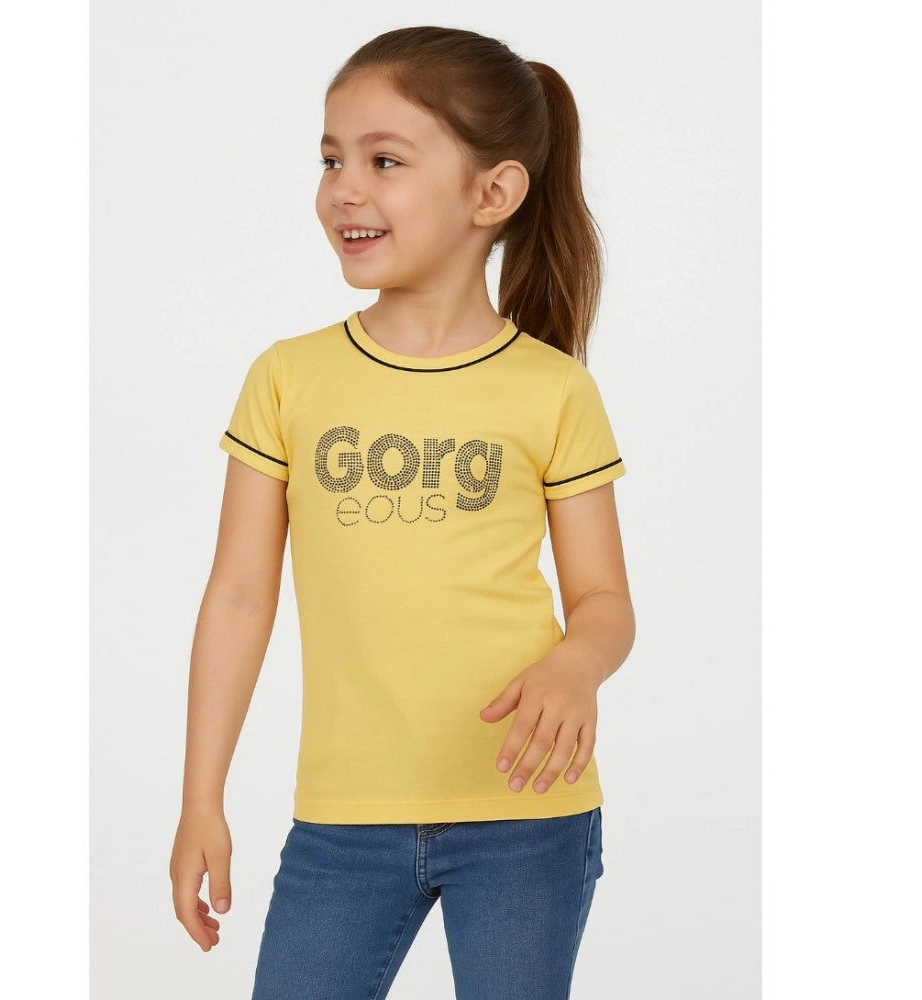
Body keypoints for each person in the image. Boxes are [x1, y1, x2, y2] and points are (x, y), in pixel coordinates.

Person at [169, 24, 635, 1000]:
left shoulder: (553, 390)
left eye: (383, 160)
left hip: (526, 817)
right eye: (331, 159)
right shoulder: (287, 379)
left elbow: (603, 601)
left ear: (492, 194)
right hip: (342, 824)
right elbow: (239, 598)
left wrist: (574, 664)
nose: (344, 188)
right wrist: (200, 797)